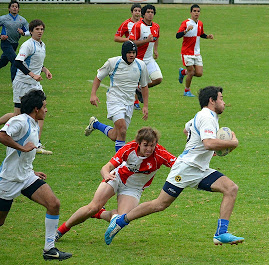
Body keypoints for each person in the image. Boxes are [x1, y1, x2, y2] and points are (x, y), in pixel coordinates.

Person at [105, 86, 244, 246]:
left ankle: (221, 233)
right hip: (186, 168)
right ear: (211, 101)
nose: (224, 102)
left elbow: (187, 130)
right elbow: (208, 143)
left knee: (231, 188)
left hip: (199, 169)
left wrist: (197, 146)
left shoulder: (204, 116)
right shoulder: (207, 117)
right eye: (221, 98)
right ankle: (121, 221)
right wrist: (232, 143)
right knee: (160, 204)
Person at [56, 127, 176, 241]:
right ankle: (60, 231)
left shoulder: (160, 154)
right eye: (145, 145)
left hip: (133, 189)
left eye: (152, 145)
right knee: (92, 207)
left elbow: (179, 165)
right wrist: (106, 175)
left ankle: (102, 214)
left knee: (120, 219)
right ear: (138, 143)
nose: (149, 149)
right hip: (116, 177)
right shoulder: (129, 148)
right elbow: (105, 168)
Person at [0, 89, 72, 261]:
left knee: (54, 204)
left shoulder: (33, 123)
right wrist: (22, 148)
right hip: (9, 180)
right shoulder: (20, 121)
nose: (46, 110)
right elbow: (2, 135)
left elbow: (24, 156)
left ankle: (49, 249)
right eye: (44, 107)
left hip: (26, 177)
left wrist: (32, 171)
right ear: (36, 108)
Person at [84, 40, 150, 152]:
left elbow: (144, 86)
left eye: (134, 52)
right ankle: (119, 165)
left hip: (129, 103)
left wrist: (145, 106)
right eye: (129, 52)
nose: (132, 55)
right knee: (123, 129)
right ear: (124, 53)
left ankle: (95, 124)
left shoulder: (141, 65)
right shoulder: (113, 62)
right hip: (114, 100)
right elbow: (98, 77)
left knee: (116, 135)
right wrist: (93, 94)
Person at [0, 19, 52, 155]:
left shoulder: (42, 45)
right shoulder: (27, 45)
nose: (40, 32)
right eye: (37, 29)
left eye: (42, 29)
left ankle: (37, 143)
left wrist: (45, 70)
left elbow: (36, 63)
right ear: (31, 31)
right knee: (18, 115)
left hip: (34, 84)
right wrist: (32, 74)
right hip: (22, 83)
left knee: (40, 110)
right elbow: (18, 62)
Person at [176, 4, 214, 97]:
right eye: (194, 11)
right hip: (186, 52)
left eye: (198, 11)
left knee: (199, 73)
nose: (196, 13)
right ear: (191, 12)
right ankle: (186, 91)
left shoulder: (200, 23)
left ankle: (182, 72)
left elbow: (200, 34)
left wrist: (207, 36)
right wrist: (185, 31)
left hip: (196, 53)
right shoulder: (186, 23)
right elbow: (177, 35)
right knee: (191, 72)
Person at [114, 3, 142, 111]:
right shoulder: (126, 24)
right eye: (135, 10)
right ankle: (135, 101)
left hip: (142, 52)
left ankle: (135, 96)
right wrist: (129, 40)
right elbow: (116, 37)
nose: (137, 13)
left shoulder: (143, 24)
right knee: (134, 76)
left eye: (139, 11)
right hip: (130, 54)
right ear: (132, 12)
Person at [128, 4, 162, 91]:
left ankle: (139, 89)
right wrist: (146, 41)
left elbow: (156, 37)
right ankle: (135, 102)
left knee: (158, 79)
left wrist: (155, 50)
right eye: (148, 12)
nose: (150, 14)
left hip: (149, 59)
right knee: (136, 81)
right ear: (143, 14)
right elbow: (132, 43)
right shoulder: (137, 26)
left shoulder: (156, 26)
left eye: (152, 12)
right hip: (138, 59)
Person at [0, 0, 30, 82]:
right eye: (12, 6)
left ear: (18, 9)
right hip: (6, 43)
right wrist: (0, 36)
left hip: (14, 44)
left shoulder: (22, 20)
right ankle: (15, 82)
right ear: (9, 8)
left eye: (16, 7)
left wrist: (23, 33)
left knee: (3, 62)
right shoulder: (3, 18)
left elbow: (29, 31)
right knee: (15, 61)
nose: (14, 8)